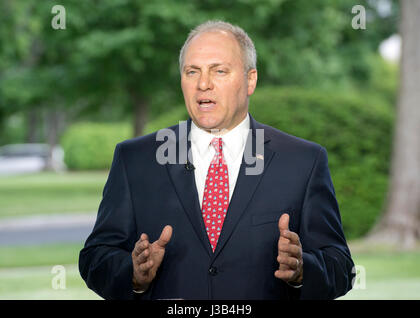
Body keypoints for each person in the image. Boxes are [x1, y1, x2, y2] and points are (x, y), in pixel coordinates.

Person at [79, 20, 355, 300]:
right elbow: (95, 258)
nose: (203, 84)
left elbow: (341, 268)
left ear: (250, 80)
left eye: (219, 71)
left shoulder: (303, 161)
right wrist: (133, 273)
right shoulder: (135, 159)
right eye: (192, 72)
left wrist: (301, 269)